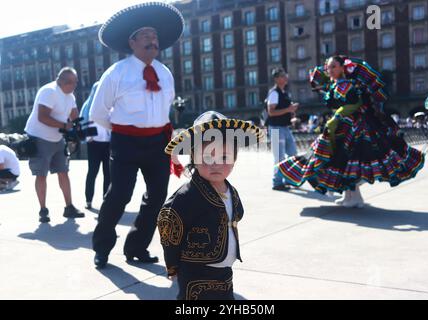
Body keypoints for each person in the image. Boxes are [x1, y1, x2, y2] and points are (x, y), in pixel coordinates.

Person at [90, 2, 185, 269]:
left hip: (158, 143)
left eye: (154, 36)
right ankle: (102, 247)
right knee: (119, 195)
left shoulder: (165, 74)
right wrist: (123, 130)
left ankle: (136, 247)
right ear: (132, 42)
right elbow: (98, 112)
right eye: (145, 35)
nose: (152, 40)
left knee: (157, 197)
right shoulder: (116, 73)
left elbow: (166, 112)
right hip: (126, 143)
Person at [277, 55, 425, 208]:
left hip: (354, 128)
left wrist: (338, 115)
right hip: (342, 127)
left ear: (342, 67)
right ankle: (351, 196)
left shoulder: (348, 85)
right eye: (328, 67)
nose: (331, 70)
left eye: (334, 66)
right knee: (341, 163)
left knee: (348, 162)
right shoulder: (335, 85)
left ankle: (354, 198)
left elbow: (356, 103)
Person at [158, 111, 264, 300]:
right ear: (194, 158)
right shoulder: (186, 196)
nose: (216, 164)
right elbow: (169, 229)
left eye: (224, 157)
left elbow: (236, 214)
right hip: (195, 273)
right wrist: (172, 265)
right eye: (207, 158)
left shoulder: (231, 191)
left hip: (224, 272)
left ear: (234, 159)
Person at [24, 67, 85, 223]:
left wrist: (79, 129)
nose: (73, 85)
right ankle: (43, 210)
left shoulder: (70, 95)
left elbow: (74, 115)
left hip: (57, 138)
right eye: (70, 82)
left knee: (63, 171)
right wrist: (65, 127)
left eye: (75, 82)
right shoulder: (49, 91)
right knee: (41, 174)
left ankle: (69, 207)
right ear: (60, 80)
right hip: (40, 137)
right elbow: (42, 117)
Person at [266, 67, 299, 191]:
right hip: (275, 128)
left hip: (284, 127)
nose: (286, 78)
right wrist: (289, 109)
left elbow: (282, 111)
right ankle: (277, 182)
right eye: (283, 76)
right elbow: (271, 112)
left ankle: (289, 179)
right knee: (279, 157)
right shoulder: (274, 93)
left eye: (286, 75)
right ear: (276, 79)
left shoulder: (284, 93)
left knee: (293, 154)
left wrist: (291, 115)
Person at [80, 82, 111, 210]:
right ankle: (88, 200)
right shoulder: (88, 105)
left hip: (108, 143)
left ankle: (107, 199)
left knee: (108, 173)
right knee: (93, 172)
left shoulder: (110, 105)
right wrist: (88, 138)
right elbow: (82, 122)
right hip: (94, 143)